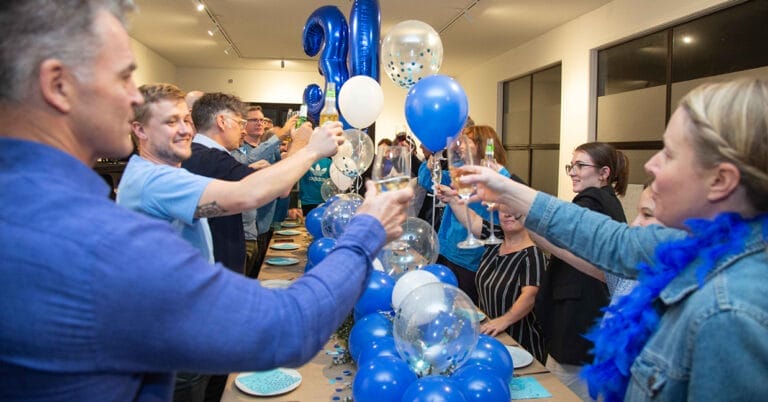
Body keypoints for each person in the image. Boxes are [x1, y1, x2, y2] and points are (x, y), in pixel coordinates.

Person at [0, 2, 413, 400]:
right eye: (123, 77)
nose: (132, 98)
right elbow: (288, 326)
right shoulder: (92, 239)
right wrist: (367, 229)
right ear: (59, 85)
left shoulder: (30, 208)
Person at [459, 78, 768, 401]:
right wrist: (507, 189)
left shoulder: (731, 313)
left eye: (670, 154)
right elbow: (606, 239)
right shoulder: (693, 244)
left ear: (721, 180)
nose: (651, 164)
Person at [528, 141, 628, 400]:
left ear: (604, 173)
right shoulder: (610, 202)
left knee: (557, 391)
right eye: (571, 165)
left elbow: (566, 240)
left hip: (575, 322)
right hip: (591, 320)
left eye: (580, 165)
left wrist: (531, 224)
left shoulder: (591, 199)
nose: (572, 171)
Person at [440, 192, 547, 363]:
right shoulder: (496, 238)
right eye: (503, 208)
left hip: (520, 346)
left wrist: (504, 321)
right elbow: (473, 220)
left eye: (514, 209)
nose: (508, 214)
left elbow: (530, 296)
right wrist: (452, 199)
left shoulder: (532, 255)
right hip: (490, 337)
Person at [425, 124, 512, 304]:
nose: (460, 146)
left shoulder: (500, 177)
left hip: (471, 257)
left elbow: (500, 224)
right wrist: (431, 166)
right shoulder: (464, 172)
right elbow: (429, 181)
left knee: (464, 308)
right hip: (447, 248)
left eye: (467, 141)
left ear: (481, 145)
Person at [232, 105, 297, 278]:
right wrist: (282, 134)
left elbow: (282, 175)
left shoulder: (270, 148)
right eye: (254, 120)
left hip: (267, 220)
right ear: (244, 124)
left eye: (261, 119)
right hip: (249, 224)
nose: (259, 123)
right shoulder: (239, 149)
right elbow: (247, 161)